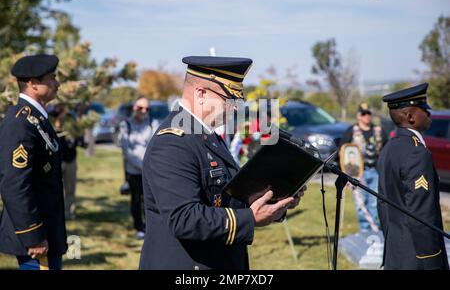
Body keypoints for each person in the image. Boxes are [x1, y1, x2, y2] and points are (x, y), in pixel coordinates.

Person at [139, 56, 305, 270]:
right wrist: (250, 218)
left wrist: (275, 200)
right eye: (230, 100)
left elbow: (225, 199)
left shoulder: (207, 137)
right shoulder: (173, 142)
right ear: (200, 93)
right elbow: (184, 218)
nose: (235, 109)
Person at [0, 54, 67, 270]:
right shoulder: (21, 123)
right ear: (33, 84)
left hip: (48, 229)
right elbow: (14, 184)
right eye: (52, 78)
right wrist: (33, 235)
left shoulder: (36, 119)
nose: (57, 83)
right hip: (36, 239)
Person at [377, 83, 449, 270]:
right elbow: (422, 212)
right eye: (424, 109)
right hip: (418, 258)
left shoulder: (389, 148)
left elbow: (383, 204)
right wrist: (432, 260)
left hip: (396, 251)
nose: (429, 114)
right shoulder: (417, 153)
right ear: (410, 117)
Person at [340, 102, 387, 232]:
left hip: (376, 172)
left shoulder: (379, 130)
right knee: (361, 205)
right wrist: (346, 174)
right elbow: (343, 151)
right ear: (358, 116)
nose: (367, 116)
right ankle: (365, 233)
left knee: (374, 203)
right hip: (357, 173)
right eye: (363, 114)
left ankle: (376, 233)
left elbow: (387, 151)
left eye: (369, 113)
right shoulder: (351, 131)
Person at [118, 97, 158, 239]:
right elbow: (126, 149)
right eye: (141, 108)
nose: (143, 111)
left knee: (150, 200)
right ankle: (139, 227)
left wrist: (148, 165)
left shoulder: (153, 124)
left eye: (147, 109)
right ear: (135, 107)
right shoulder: (126, 125)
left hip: (150, 170)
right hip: (133, 170)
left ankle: (151, 226)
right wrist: (141, 165)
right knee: (135, 199)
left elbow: (155, 146)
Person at [50, 104, 84, 220]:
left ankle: (70, 211)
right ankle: (55, 212)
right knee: (54, 188)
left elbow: (78, 135)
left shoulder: (71, 118)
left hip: (70, 158)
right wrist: (60, 117)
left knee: (70, 188)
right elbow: (54, 133)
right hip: (56, 159)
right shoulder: (50, 116)